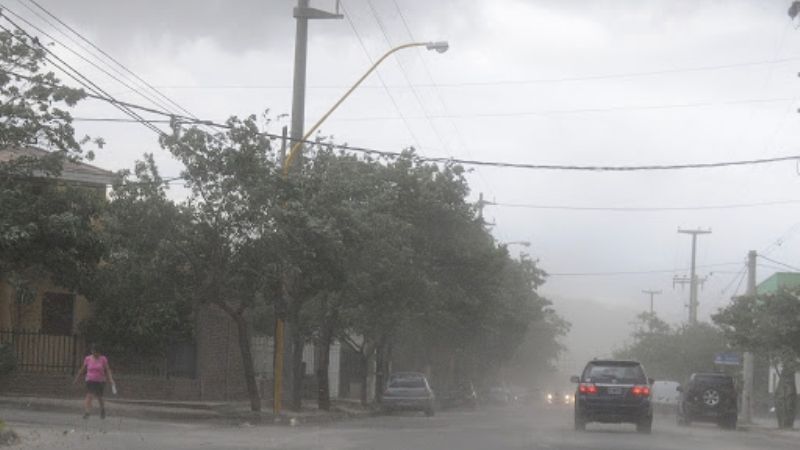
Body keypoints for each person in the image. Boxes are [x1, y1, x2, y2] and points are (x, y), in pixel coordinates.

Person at [73, 344, 115, 419]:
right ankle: (87, 412)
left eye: (97, 352)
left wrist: (111, 379)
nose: (95, 354)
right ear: (92, 351)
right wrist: (77, 378)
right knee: (89, 395)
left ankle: (102, 409)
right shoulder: (88, 359)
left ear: (99, 352)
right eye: (94, 352)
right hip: (90, 380)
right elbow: (83, 369)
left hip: (100, 380)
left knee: (99, 397)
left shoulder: (103, 359)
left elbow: (107, 370)